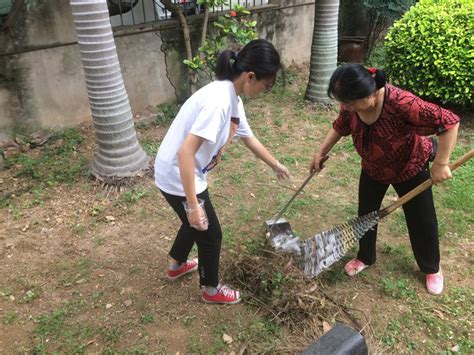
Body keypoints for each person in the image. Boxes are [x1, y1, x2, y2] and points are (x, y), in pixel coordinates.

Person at [155, 39, 290, 304]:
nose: (266, 90)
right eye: (267, 84)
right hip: (178, 174)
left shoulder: (233, 99)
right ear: (250, 77)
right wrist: (193, 205)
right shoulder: (219, 103)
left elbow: (248, 138)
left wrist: (275, 164)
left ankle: (176, 266)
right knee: (209, 234)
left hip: (184, 172)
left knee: (194, 224)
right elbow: (185, 153)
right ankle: (211, 289)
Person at [309, 63, 460, 295]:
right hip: (373, 168)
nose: (346, 108)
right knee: (367, 214)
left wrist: (440, 164)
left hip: (409, 167)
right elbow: (341, 126)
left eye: (349, 103)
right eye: (344, 103)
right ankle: (366, 257)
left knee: (422, 219)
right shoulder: (351, 104)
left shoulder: (401, 103)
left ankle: (431, 267)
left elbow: (449, 122)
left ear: (370, 93)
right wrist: (321, 151)